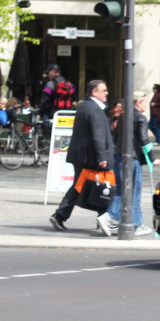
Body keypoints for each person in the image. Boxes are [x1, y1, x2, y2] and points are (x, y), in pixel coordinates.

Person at [49, 79, 112, 231]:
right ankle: (101, 217)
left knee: (87, 185)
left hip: (82, 156)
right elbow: (98, 135)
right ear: (94, 92)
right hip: (90, 157)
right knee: (102, 186)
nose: (106, 93)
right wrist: (102, 156)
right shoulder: (94, 109)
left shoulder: (84, 106)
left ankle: (63, 215)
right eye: (103, 90)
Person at [100, 93, 159, 237]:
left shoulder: (122, 117)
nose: (146, 106)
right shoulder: (140, 118)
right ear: (138, 102)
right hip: (132, 159)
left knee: (122, 191)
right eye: (145, 102)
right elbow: (144, 141)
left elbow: (116, 138)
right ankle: (132, 223)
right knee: (134, 192)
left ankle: (133, 222)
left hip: (119, 158)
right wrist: (153, 159)